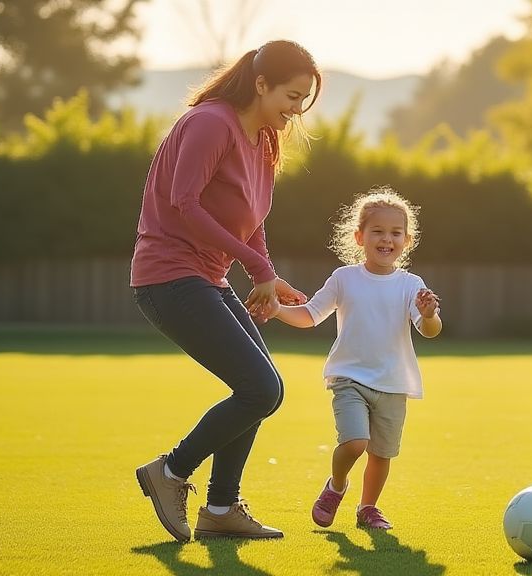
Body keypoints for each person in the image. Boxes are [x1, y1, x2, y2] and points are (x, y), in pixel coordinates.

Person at [130, 40, 321, 542]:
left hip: (208, 278)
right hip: (169, 276)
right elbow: (185, 202)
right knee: (261, 389)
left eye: (304, 99)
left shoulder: (266, 140)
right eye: (292, 96)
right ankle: (170, 471)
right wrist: (257, 266)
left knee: (262, 390)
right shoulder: (211, 123)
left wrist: (265, 275)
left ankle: (219, 509)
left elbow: (252, 218)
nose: (297, 109)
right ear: (260, 84)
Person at [258, 187, 443, 530]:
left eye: (395, 233)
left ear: (407, 241)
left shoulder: (411, 284)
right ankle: (336, 485)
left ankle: (368, 508)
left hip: (392, 383)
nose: (386, 239)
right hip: (349, 379)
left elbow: (429, 330)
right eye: (377, 231)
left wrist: (429, 314)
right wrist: (279, 310)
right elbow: (311, 314)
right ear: (360, 237)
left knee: (382, 454)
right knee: (355, 442)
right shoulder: (344, 278)